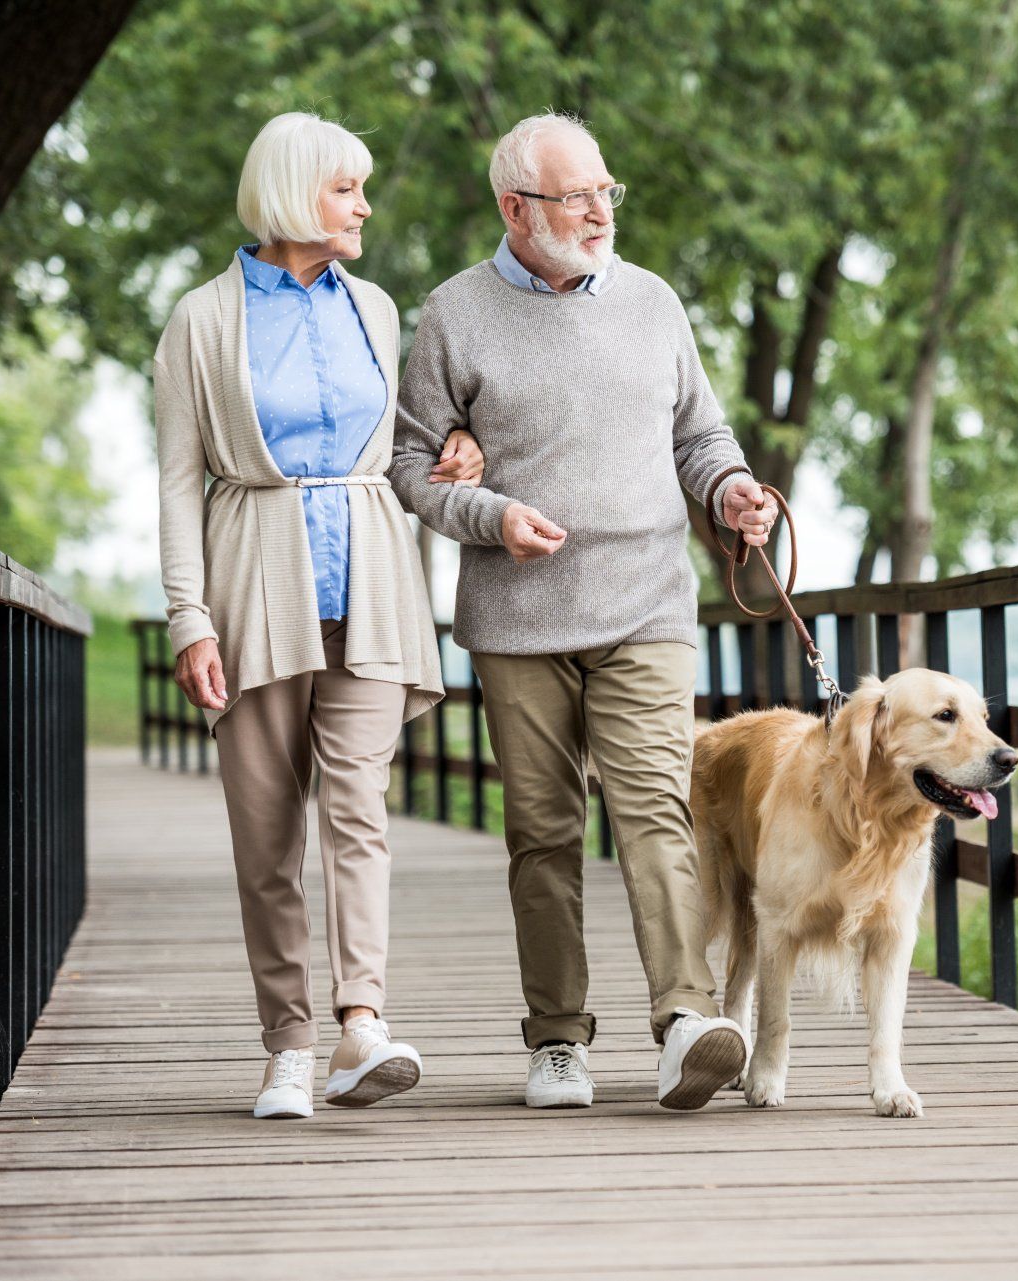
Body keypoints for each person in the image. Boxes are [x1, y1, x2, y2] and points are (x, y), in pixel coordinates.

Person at [389, 112, 779, 1111]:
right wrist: (488, 514)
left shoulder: (653, 303)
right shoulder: (453, 315)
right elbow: (409, 466)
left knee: (655, 809)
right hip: (518, 616)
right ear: (517, 210)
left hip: (647, 600)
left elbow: (700, 434)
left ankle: (686, 1019)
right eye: (577, 198)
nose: (601, 211)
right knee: (543, 829)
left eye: (608, 191)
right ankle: (557, 1038)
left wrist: (731, 489)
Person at [153, 111, 484, 1119]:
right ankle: (286, 1045)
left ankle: (360, 1024)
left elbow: (399, 445)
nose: (365, 207)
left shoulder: (378, 309)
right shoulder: (202, 322)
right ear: (298, 193)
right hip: (253, 579)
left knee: (359, 814)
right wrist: (186, 617)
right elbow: (175, 484)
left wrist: (455, 447)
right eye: (349, 190)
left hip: (375, 579)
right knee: (264, 832)